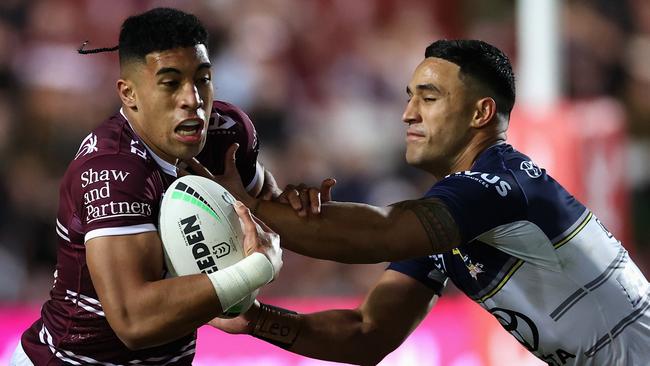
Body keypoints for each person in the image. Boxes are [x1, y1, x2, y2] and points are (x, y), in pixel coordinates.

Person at [201, 40, 650, 365]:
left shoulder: (501, 184)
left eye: (428, 98)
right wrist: (256, 321)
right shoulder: (450, 217)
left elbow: (380, 233)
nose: (408, 113)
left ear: (481, 114)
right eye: (409, 97)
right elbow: (367, 334)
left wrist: (249, 203)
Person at [12, 8, 283, 365]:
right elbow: (133, 321)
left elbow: (272, 217)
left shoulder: (225, 135)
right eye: (171, 83)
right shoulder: (111, 170)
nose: (193, 99)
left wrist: (298, 208)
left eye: (202, 79)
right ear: (129, 94)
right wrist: (256, 270)